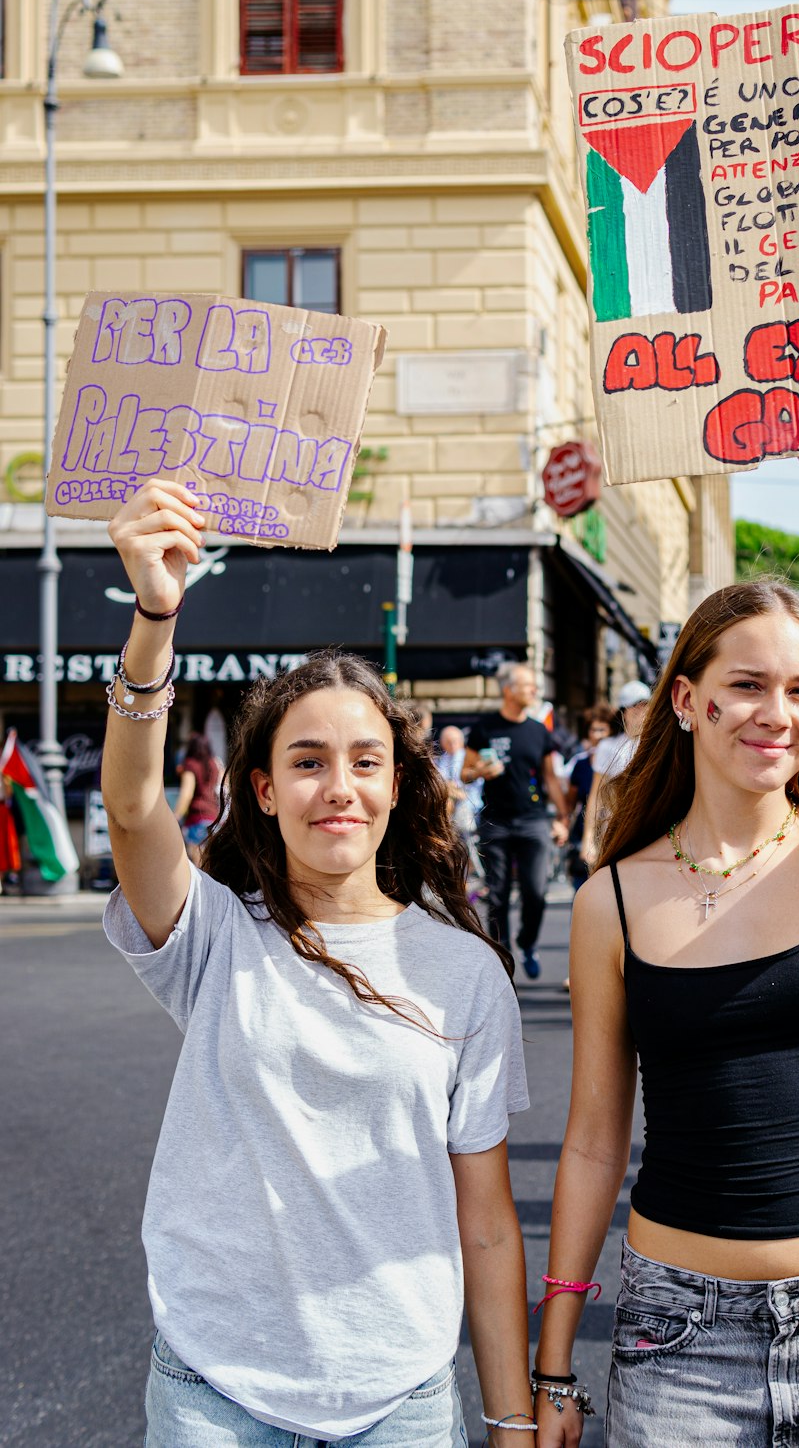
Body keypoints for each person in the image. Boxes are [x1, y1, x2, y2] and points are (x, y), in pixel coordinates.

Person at [535, 405, 799, 1448]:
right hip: (680, 1343)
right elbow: (593, 1141)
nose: (780, 713)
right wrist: (553, 1363)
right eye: (748, 685)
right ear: (686, 701)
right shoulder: (612, 900)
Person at [100, 480, 533, 1448]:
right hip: (216, 1391)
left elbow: (491, 1224)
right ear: (261, 790)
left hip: (403, 1400)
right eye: (306, 761)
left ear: (395, 784)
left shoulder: (464, 974)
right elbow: (134, 811)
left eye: (364, 761)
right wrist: (156, 614)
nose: (338, 787)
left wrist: (508, 1418)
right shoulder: (213, 934)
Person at [463, 662, 571, 978]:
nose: (534, 691)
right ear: (508, 690)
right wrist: (482, 771)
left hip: (534, 820)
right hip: (495, 821)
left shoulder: (539, 731)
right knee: (497, 893)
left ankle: (527, 943)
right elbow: (465, 774)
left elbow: (550, 778)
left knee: (535, 891)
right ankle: (502, 955)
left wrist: (562, 817)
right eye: (528, 686)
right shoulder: (485, 728)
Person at [579, 681, 651, 869]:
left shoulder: (659, 745)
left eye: (646, 705)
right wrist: (588, 838)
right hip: (615, 829)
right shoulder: (608, 747)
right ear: (624, 711)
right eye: (636, 707)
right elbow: (596, 795)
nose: (642, 711)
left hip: (651, 826)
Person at [564, 706, 615, 893]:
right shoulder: (581, 764)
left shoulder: (620, 761)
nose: (599, 735)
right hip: (584, 831)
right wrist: (563, 822)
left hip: (612, 831)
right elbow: (571, 800)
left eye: (603, 729)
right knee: (582, 889)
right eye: (594, 730)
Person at [173, 731, 224, 860]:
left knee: (198, 866)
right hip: (214, 819)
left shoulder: (191, 765)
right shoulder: (215, 765)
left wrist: (176, 816)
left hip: (197, 819)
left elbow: (187, 793)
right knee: (211, 865)